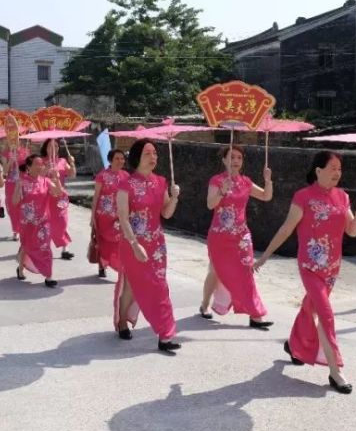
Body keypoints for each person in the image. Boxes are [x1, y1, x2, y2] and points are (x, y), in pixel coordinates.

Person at [255, 150, 356, 394]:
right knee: (325, 313)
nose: (337, 173)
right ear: (318, 171)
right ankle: (335, 370)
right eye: (332, 168)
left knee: (311, 308)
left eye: (340, 169)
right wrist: (264, 256)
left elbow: (352, 231)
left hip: (332, 267)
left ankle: (294, 345)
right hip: (309, 265)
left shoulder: (343, 197)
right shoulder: (303, 197)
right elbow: (287, 229)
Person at [114, 139, 182, 353]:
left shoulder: (161, 181)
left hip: (157, 244)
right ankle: (122, 320)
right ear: (137, 157)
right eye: (148, 153)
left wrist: (175, 197)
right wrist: (134, 244)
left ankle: (166, 334)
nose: (153, 157)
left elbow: (166, 213)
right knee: (132, 287)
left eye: (155, 153)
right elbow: (123, 217)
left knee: (160, 286)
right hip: (133, 242)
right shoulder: (125, 183)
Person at [198, 145, 274, 329]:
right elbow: (210, 204)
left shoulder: (246, 182)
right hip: (220, 236)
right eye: (232, 157)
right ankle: (205, 304)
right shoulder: (217, 180)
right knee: (215, 272)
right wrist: (222, 191)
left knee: (247, 272)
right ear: (224, 160)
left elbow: (266, 196)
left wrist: (268, 180)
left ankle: (255, 315)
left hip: (241, 236)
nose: (236, 161)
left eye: (239, 157)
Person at [13, 154, 66, 288]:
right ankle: (20, 268)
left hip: (43, 221)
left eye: (41, 164)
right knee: (26, 245)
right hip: (27, 222)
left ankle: (49, 276)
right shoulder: (21, 181)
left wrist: (57, 179)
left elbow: (58, 193)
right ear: (29, 167)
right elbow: (14, 202)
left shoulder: (46, 181)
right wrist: (18, 188)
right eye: (36, 164)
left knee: (45, 247)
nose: (40, 166)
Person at [90, 149, 128, 278]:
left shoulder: (126, 176)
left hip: (119, 216)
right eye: (117, 158)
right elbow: (96, 196)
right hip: (103, 216)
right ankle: (102, 265)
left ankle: (120, 266)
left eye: (122, 158)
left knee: (118, 241)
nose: (120, 161)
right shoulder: (102, 175)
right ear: (110, 160)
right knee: (103, 241)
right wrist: (92, 216)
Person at [40, 138, 76, 260]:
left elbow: (72, 174)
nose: (54, 148)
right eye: (51, 146)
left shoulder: (62, 161)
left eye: (56, 146)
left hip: (61, 196)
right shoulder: (41, 161)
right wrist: (46, 169)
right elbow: (38, 177)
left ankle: (65, 248)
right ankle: (45, 248)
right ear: (46, 148)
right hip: (46, 196)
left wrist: (72, 163)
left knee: (62, 222)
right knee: (48, 223)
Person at [1, 141, 31, 241]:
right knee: (12, 208)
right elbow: (5, 171)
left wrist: (27, 163)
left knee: (23, 206)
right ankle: (16, 230)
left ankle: (23, 229)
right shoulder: (5, 153)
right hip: (11, 184)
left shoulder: (25, 150)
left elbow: (30, 169)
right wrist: (10, 161)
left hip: (24, 183)